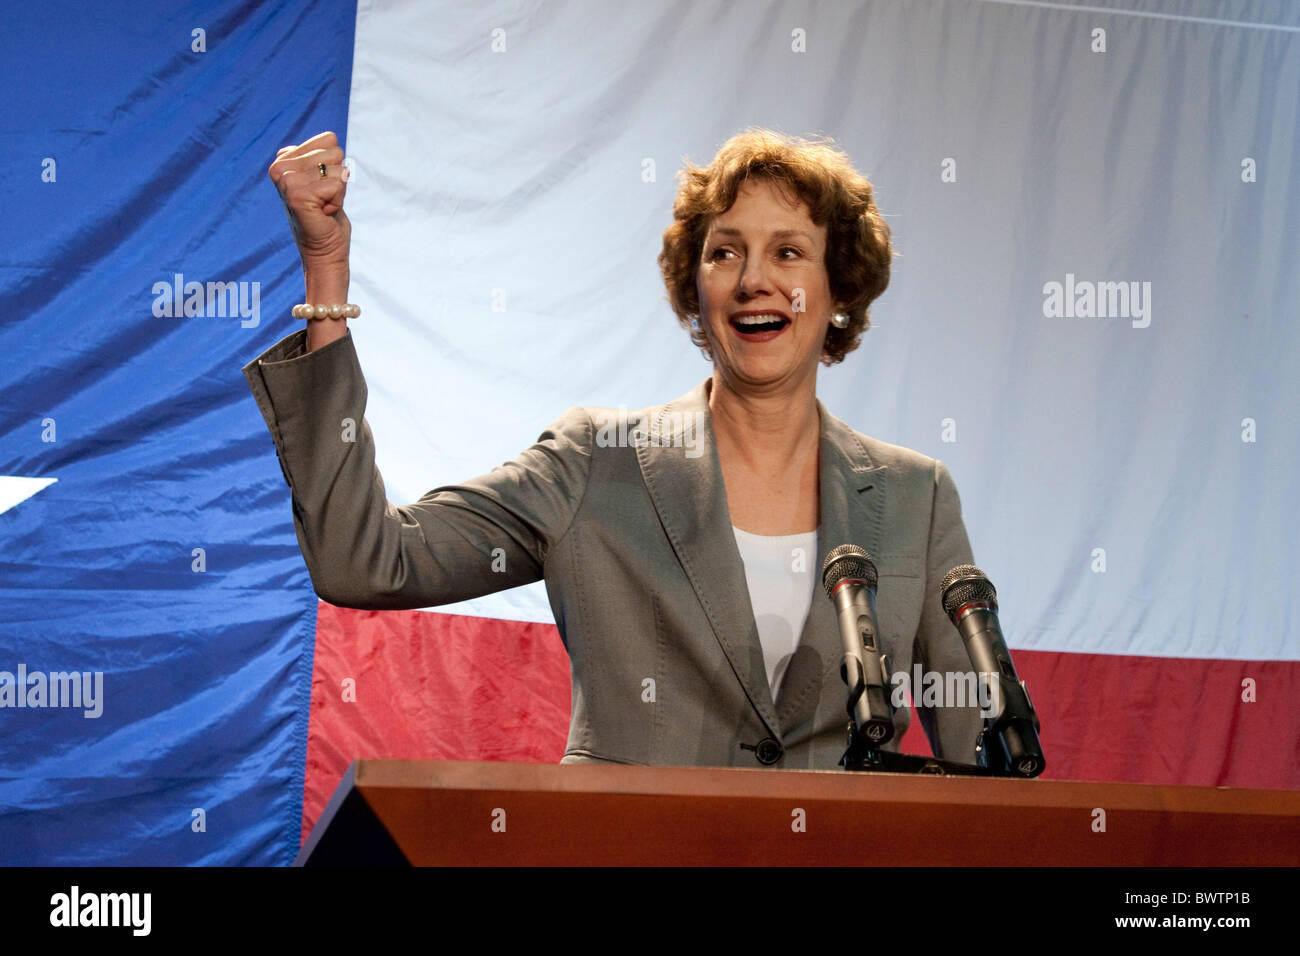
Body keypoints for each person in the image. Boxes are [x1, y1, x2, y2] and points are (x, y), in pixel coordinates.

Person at [243, 127, 985, 770]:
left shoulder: (915, 497)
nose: (755, 280)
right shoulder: (596, 460)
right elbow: (364, 560)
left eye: (788, 252)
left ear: (839, 289)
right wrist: (327, 271)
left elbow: (979, 756)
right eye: (725, 253)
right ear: (695, 288)